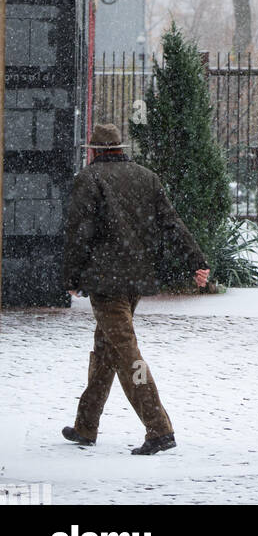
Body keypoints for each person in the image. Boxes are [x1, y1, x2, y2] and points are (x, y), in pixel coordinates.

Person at [62, 122, 210, 455]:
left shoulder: (90, 180)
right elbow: (171, 222)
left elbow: (79, 232)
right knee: (107, 349)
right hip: (135, 280)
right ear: (119, 148)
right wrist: (196, 261)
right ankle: (86, 426)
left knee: (127, 354)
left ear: (95, 153)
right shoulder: (147, 177)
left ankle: (159, 428)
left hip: (105, 282)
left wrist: (72, 278)